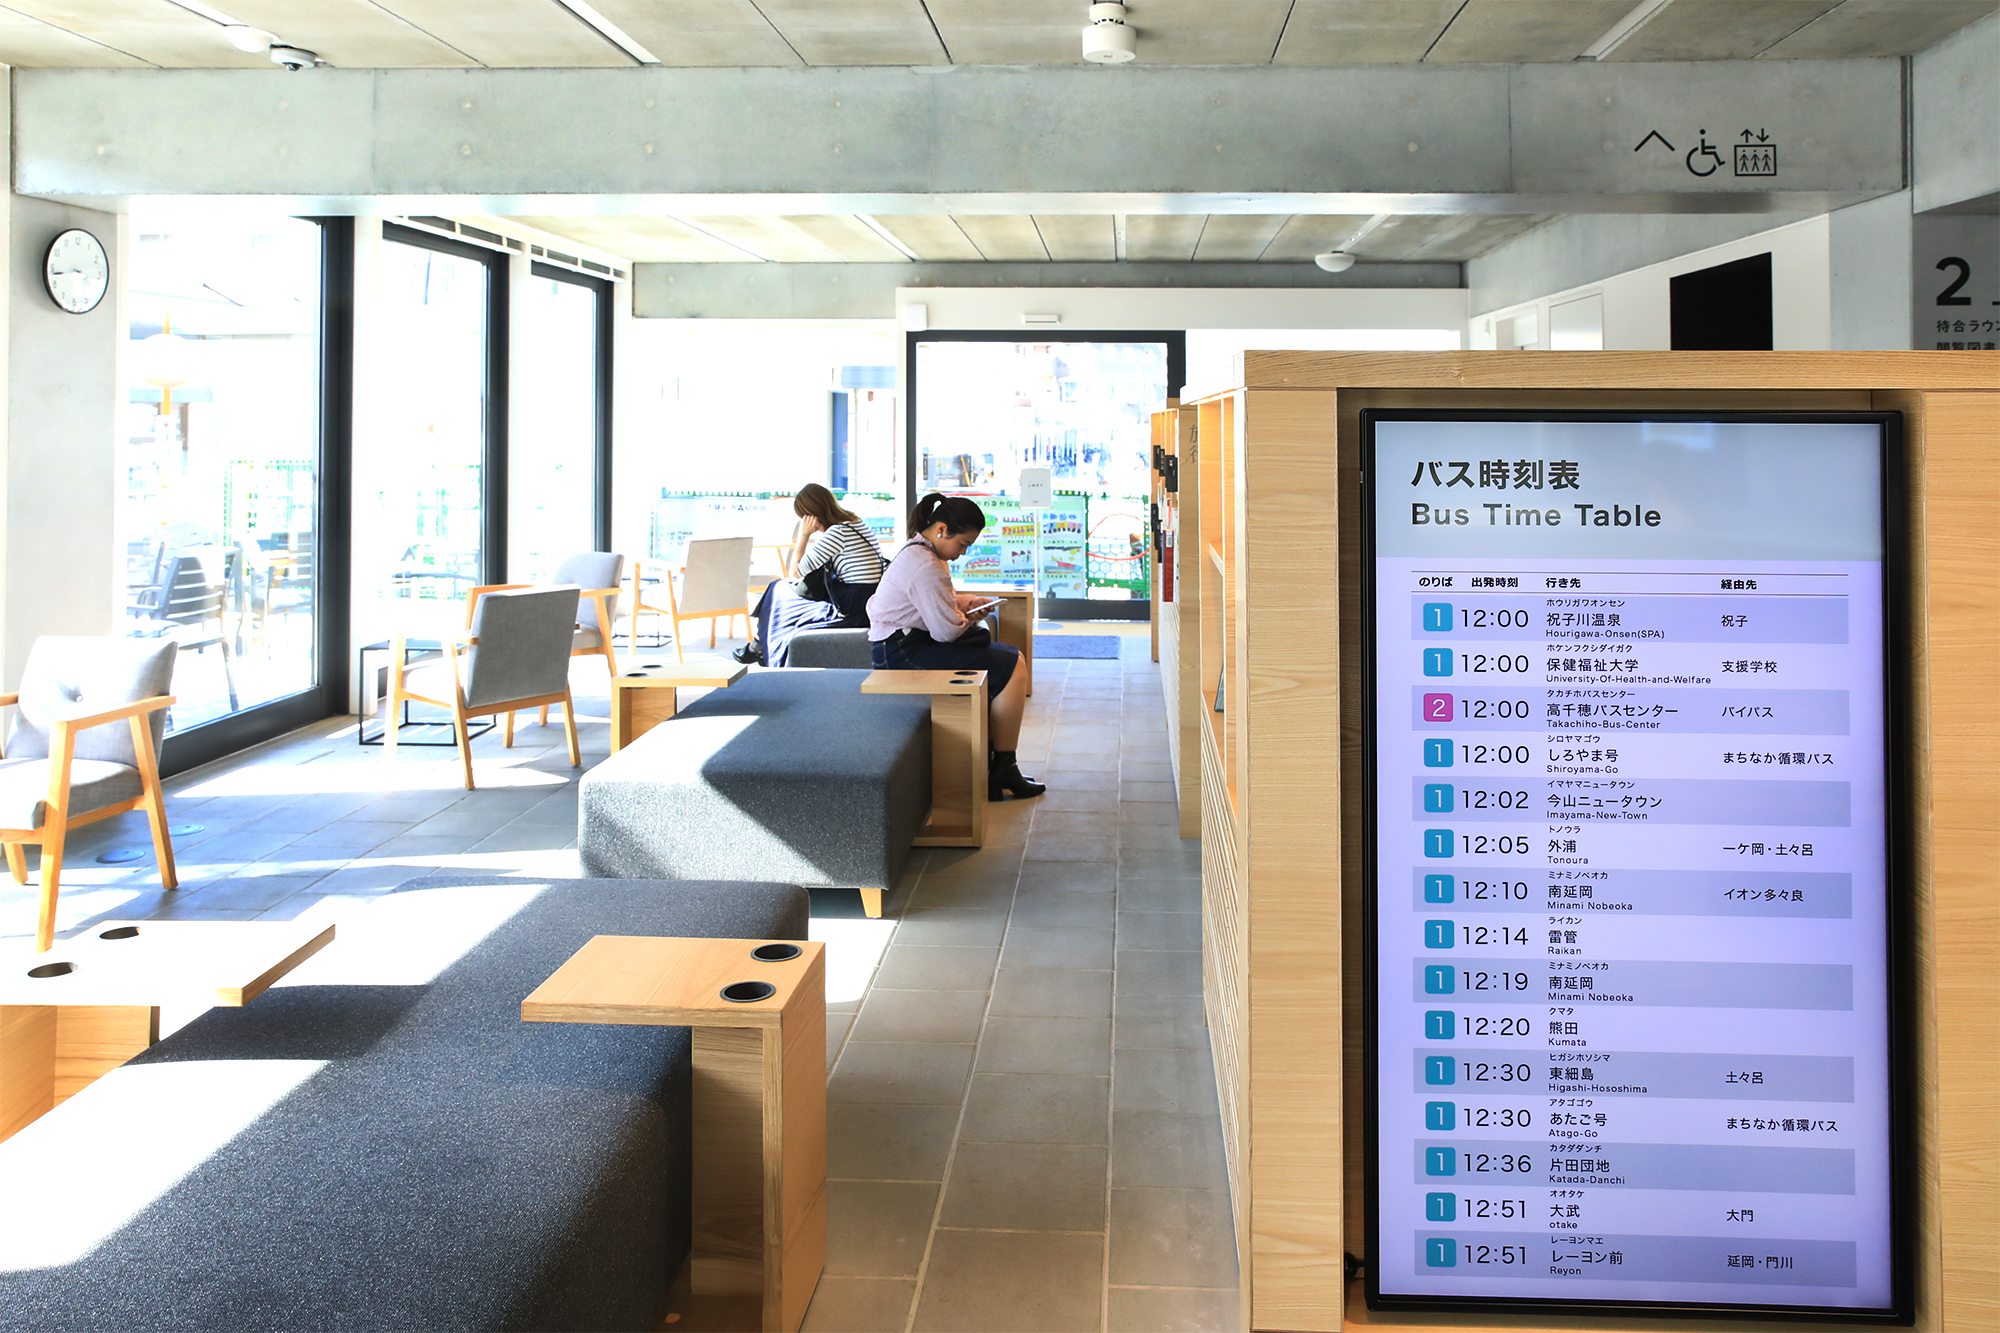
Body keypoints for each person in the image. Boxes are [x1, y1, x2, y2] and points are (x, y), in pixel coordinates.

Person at [868, 492, 1044, 800]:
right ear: (942, 529)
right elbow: (946, 632)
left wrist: (968, 605)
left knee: (1010, 661)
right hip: (902, 653)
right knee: (1011, 665)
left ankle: (1000, 766)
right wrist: (967, 616)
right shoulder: (926, 564)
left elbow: (932, 604)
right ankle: (1003, 767)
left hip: (900, 645)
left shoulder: (919, 552)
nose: (962, 553)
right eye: (962, 544)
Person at [736, 484, 887, 667]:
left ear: (812, 515)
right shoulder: (856, 523)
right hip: (867, 597)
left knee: (777, 590)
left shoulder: (837, 533)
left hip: (853, 604)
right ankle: (759, 645)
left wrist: (804, 535)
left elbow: (795, 572)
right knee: (780, 590)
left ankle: (759, 647)